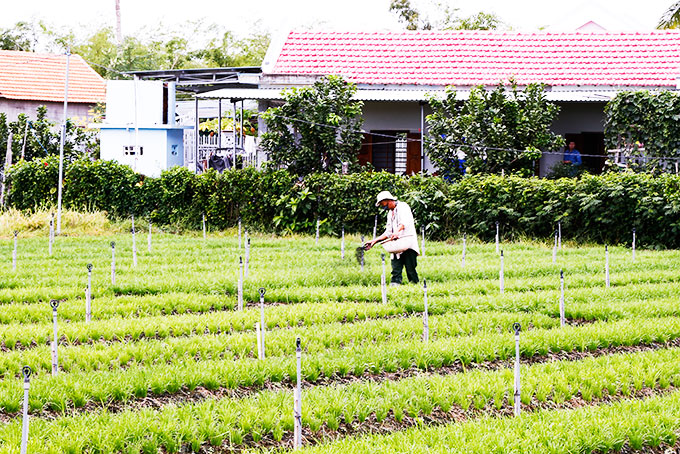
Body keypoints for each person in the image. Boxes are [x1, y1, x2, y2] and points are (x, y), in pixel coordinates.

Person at [365, 191, 419, 285]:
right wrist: (374, 241)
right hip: (396, 246)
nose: (383, 207)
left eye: (383, 204)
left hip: (408, 244)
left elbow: (404, 223)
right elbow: (388, 232)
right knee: (395, 270)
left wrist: (397, 232)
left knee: (411, 270)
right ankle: (394, 289)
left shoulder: (403, 207)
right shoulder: (390, 213)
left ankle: (415, 287)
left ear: (388, 200)